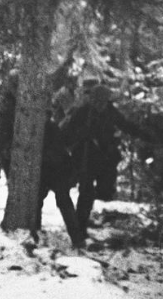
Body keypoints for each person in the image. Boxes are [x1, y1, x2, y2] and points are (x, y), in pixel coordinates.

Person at [62, 84, 149, 236]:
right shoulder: (82, 112)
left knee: (105, 191)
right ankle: (80, 228)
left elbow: (125, 125)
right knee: (86, 193)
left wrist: (145, 135)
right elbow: (67, 136)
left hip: (105, 159)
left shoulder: (110, 111)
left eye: (103, 101)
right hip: (86, 158)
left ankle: (89, 219)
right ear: (92, 99)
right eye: (97, 100)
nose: (100, 104)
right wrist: (83, 133)